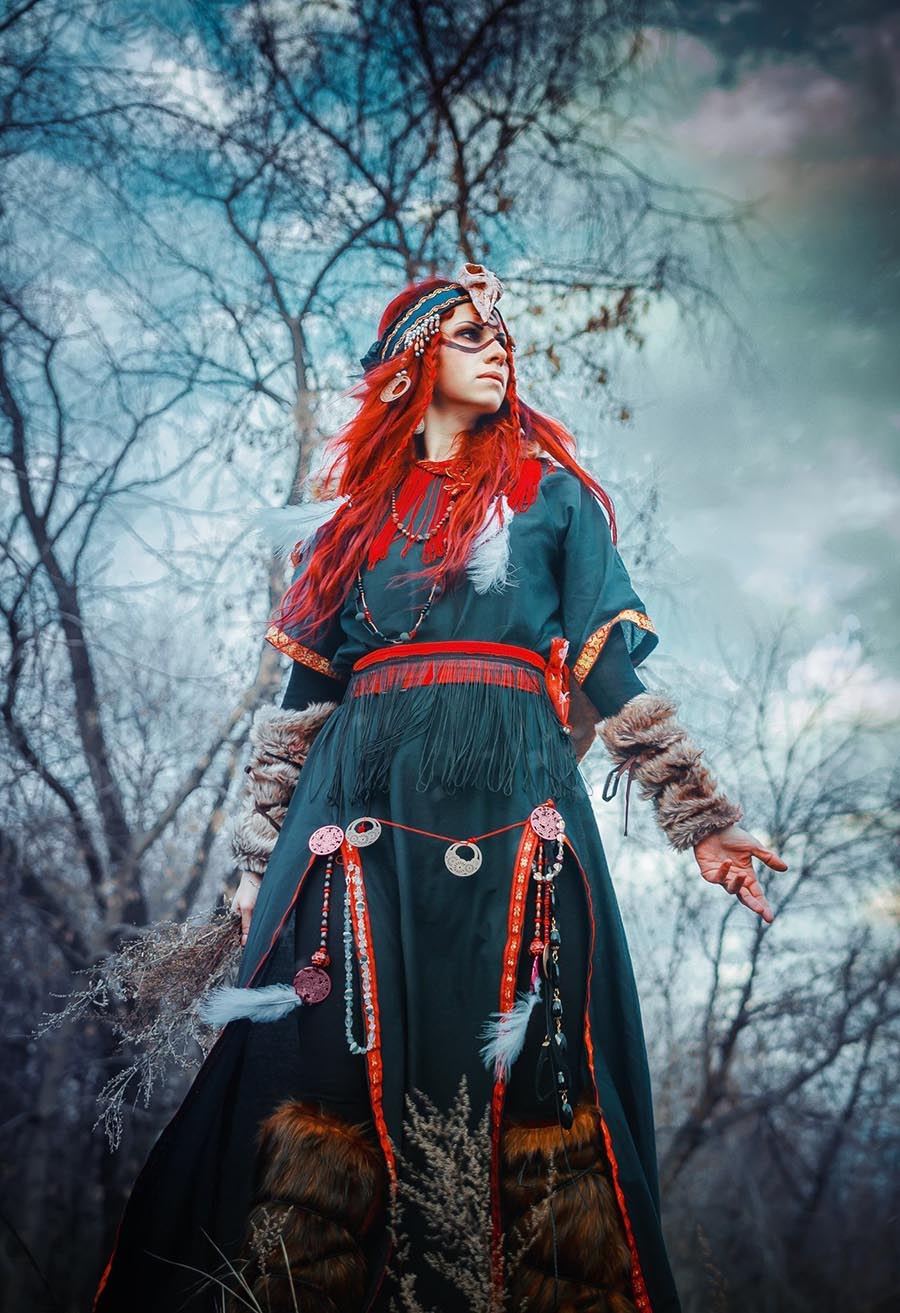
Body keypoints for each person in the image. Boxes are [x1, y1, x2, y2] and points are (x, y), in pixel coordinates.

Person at [92, 264, 786, 1313]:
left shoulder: (554, 497)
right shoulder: (351, 527)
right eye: (467, 332)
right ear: (408, 366)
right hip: (354, 813)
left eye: (501, 332)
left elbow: (610, 676)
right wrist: (251, 866)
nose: (497, 345)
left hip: (516, 808)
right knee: (323, 1074)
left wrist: (707, 821)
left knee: (540, 1078)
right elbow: (296, 706)